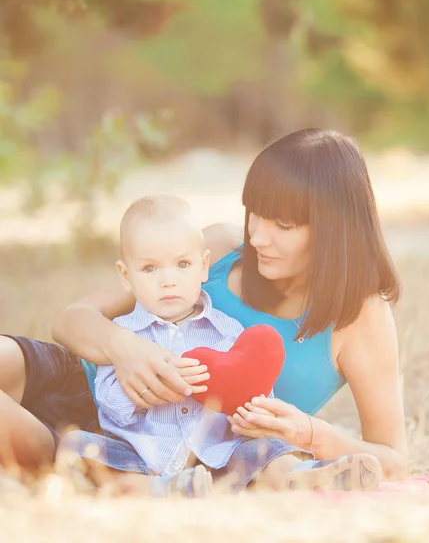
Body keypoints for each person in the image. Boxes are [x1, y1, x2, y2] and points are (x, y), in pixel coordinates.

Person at [0, 128, 407, 484]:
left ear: (335, 231)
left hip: (155, 450)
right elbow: (71, 320)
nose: (259, 237)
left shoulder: (361, 317)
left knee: (43, 446)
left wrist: (309, 434)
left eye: (283, 226)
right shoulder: (222, 246)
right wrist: (124, 348)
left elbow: (393, 459)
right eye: (256, 215)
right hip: (85, 379)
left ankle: (38, 452)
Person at [59, 194, 383, 495]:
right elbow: (109, 405)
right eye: (150, 269)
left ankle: (304, 476)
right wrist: (143, 393)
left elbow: (253, 384)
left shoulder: (226, 330)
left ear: (203, 266)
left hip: (220, 453)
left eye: (182, 265)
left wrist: (251, 414)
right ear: (126, 276)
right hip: (144, 453)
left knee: (266, 452)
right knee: (77, 447)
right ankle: (165, 490)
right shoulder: (126, 334)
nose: (168, 280)